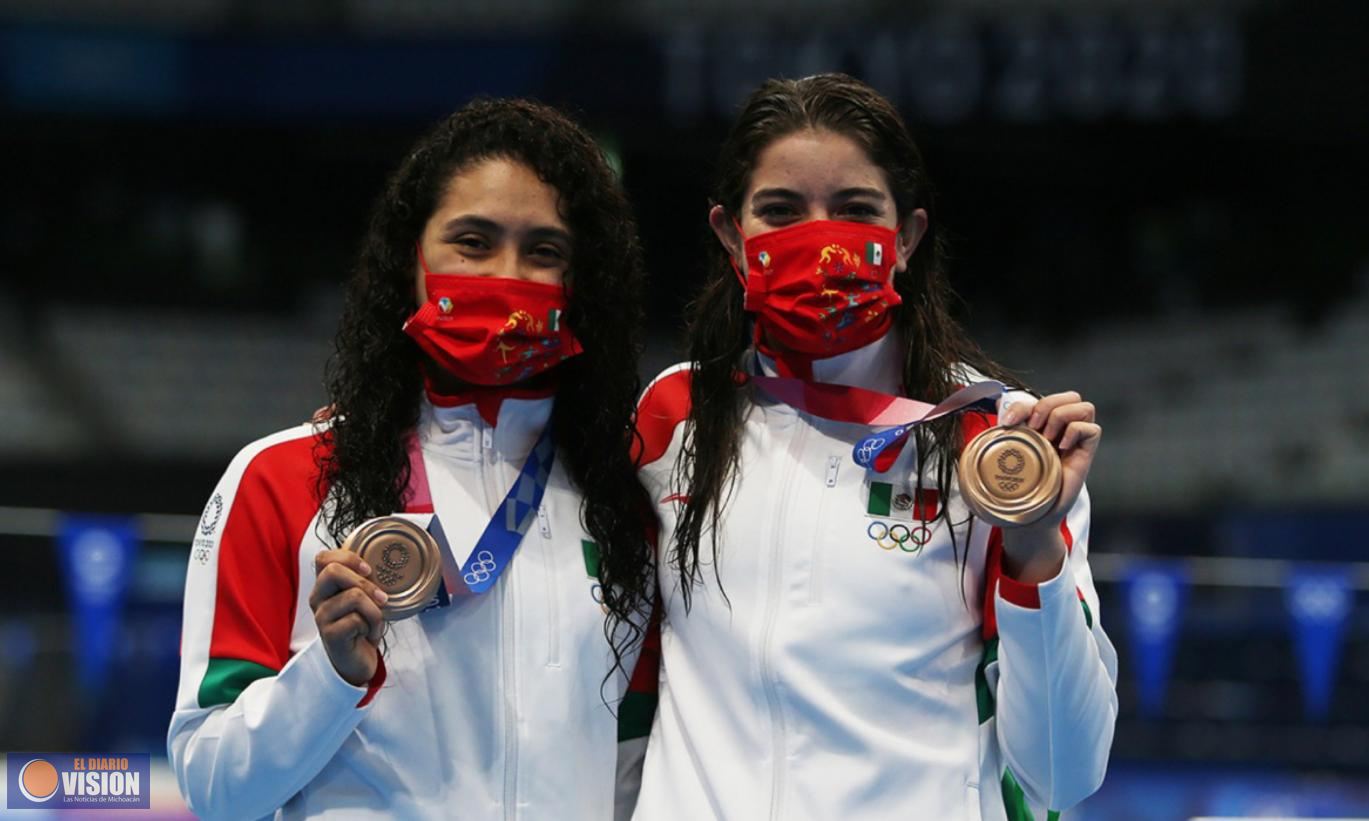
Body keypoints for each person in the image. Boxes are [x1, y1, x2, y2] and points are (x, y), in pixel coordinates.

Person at [632, 74, 1118, 820]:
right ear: (732, 236)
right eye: (781, 212)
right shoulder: (672, 417)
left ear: (906, 238)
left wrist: (1030, 540)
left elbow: (1063, 767)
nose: (819, 238)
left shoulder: (997, 441)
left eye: (854, 210)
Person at [168, 98, 657, 820]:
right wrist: (329, 677)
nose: (507, 275)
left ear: (579, 286)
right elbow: (213, 788)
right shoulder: (280, 479)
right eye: (473, 241)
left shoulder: (623, 499)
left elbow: (635, 771)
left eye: (544, 251)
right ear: (412, 259)